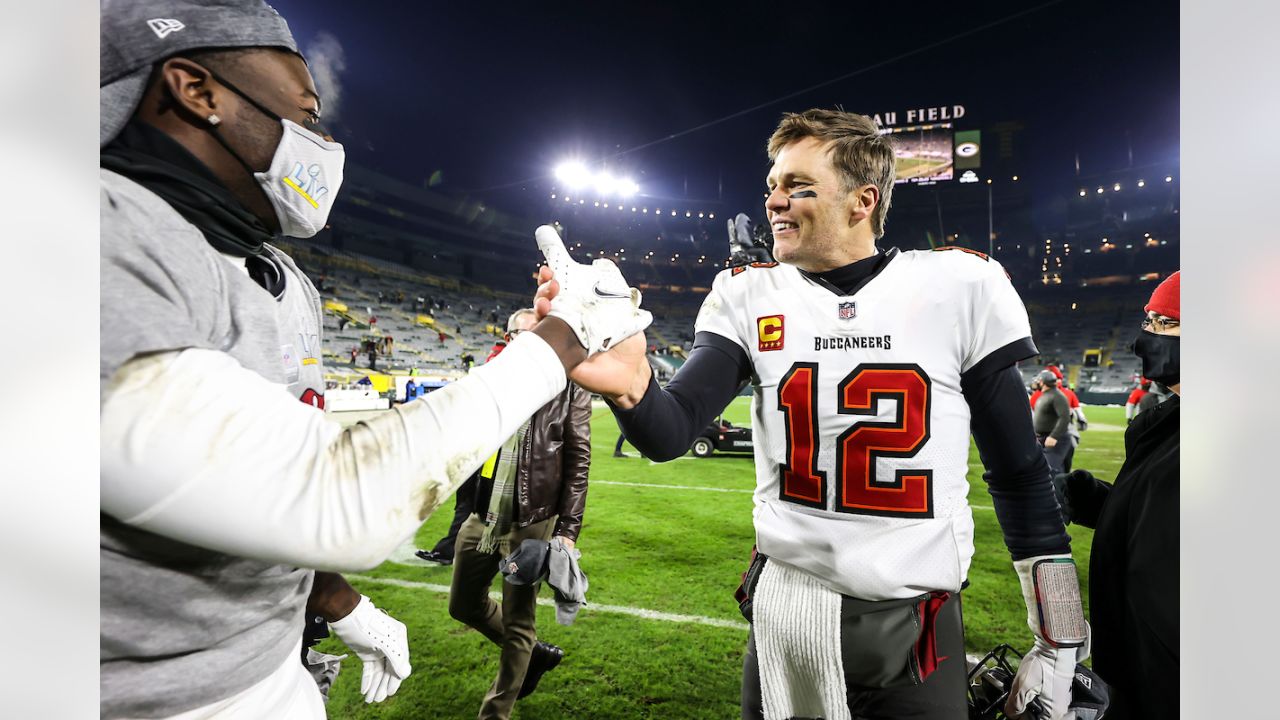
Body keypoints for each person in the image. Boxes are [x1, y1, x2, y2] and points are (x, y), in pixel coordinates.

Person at [99, 3, 649, 716]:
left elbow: (252, 485)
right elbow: (333, 495)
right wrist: (562, 338)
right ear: (195, 90)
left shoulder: (273, 273)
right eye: (306, 112)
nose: (323, 141)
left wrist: (332, 599)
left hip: (265, 661)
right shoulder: (87, 238)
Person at [548, 109, 1086, 720]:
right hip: (786, 613)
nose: (774, 201)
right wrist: (629, 385)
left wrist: (1059, 634)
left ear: (863, 201)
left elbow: (1020, 476)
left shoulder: (961, 286)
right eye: (774, 184)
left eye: (798, 186)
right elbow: (671, 431)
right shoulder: (749, 293)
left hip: (916, 624)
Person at [447, 308, 592, 719]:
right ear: (509, 340)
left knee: (518, 624)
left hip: (532, 521)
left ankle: (495, 712)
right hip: (483, 516)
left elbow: (579, 461)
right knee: (462, 605)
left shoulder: (569, 388)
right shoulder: (492, 383)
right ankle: (535, 656)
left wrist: (567, 532)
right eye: (522, 337)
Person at [1056, 271, 1180, 718]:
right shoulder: (1174, 422)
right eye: (1147, 319)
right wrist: (1090, 499)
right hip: (1135, 666)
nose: (1145, 336)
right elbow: (1158, 523)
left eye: (1163, 322)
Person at [1032, 370, 1074, 474]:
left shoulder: (1057, 396)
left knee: (1051, 471)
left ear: (1043, 382)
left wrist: (1054, 436)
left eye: (1039, 381)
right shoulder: (1046, 395)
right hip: (1044, 438)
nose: (1037, 383)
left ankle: (1056, 490)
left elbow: (1064, 417)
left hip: (1056, 439)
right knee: (1047, 470)